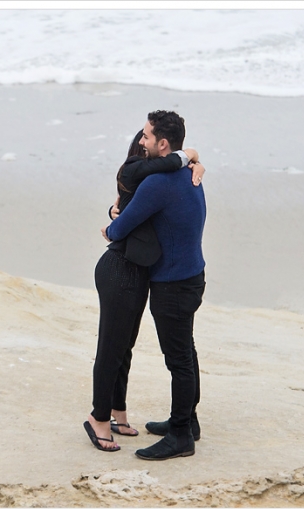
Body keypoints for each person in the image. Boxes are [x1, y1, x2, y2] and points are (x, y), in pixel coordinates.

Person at [83, 128, 205, 452]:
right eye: (143, 140)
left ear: (159, 146)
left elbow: (169, 167)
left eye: (148, 138)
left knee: (128, 348)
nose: (143, 142)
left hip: (141, 274)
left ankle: (120, 414)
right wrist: (188, 156)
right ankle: (99, 418)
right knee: (113, 347)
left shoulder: (168, 177)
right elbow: (119, 228)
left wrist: (190, 157)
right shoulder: (139, 177)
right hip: (119, 271)